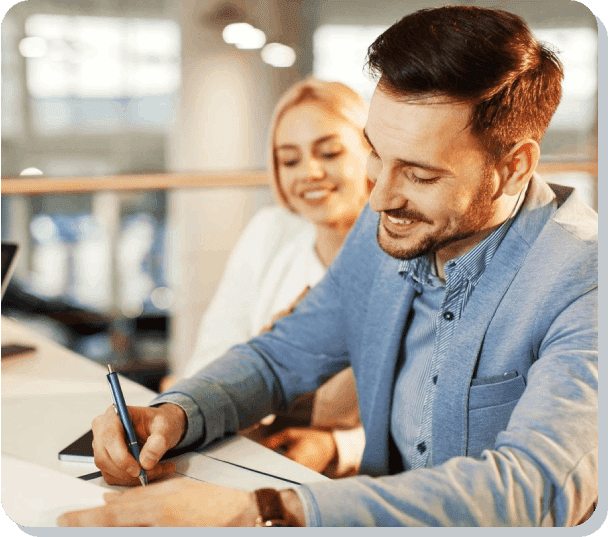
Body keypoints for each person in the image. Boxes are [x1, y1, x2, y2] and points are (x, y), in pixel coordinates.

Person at [59, 5, 597, 527]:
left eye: (420, 175)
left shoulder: (583, 281)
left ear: (513, 166)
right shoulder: (387, 228)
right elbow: (281, 357)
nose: (380, 196)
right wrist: (176, 413)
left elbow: (538, 489)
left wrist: (266, 510)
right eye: (375, 153)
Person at [161, 78, 370, 476]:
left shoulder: (403, 251)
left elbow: (423, 414)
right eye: (289, 160)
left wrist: (337, 446)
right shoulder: (270, 231)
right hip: (250, 453)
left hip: (359, 479)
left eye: (329, 152)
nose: (309, 172)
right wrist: (178, 408)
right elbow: (213, 353)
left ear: (370, 151)